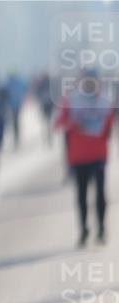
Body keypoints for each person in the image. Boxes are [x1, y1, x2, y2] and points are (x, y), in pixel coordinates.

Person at [55, 72, 116, 246]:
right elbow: (59, 123)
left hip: (99, 154)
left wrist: (103, 127)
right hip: (79, 156)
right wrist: (76, 125)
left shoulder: (105, 101)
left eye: (94, 82)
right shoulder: (72, 100)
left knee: (100, 194)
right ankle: (83, 230)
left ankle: (102, 229)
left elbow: (110, 126)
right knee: (81, 195)